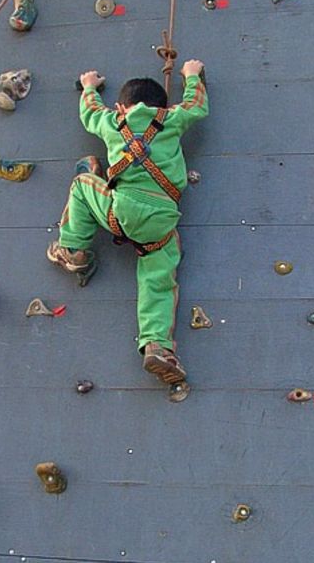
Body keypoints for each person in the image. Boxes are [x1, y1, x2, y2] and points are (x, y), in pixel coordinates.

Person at [47, 60, 208, 384]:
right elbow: (196, 106)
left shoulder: (112, 121)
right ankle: (157, 344)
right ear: (164, 107)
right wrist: (192, 76)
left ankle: (73, 249)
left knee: (82, 185)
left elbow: (89, 113)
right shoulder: (173, 119)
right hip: (162, 220)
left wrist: (90, 86)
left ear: (121, 106)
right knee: (158, 281)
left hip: (119, 212)